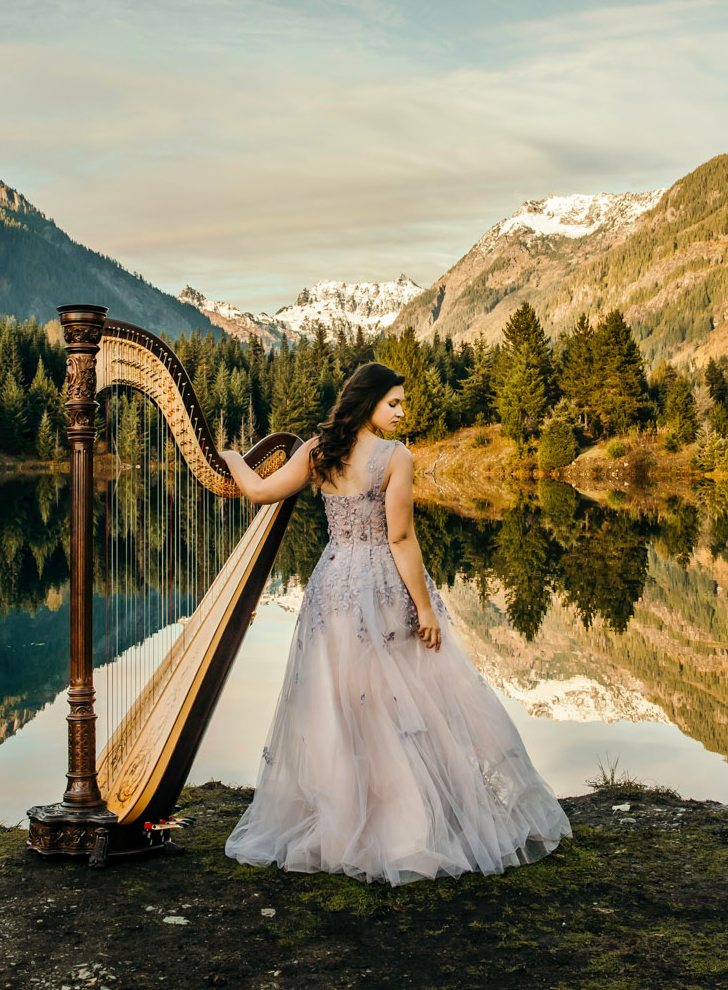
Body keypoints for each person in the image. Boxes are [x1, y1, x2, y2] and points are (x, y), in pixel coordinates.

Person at [216, 361, 571, 884]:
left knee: (342, 704)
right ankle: (407, 829)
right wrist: (425, 609)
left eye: (402, 403)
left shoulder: (318, 451)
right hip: (382, 586)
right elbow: (401, 539)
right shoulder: (394, 457)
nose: (403, 412)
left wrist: (230, 459)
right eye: (394, 403)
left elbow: (260, 492)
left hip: (334, 587)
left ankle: (346, 826)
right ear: (368, 404)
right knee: (401, 703)